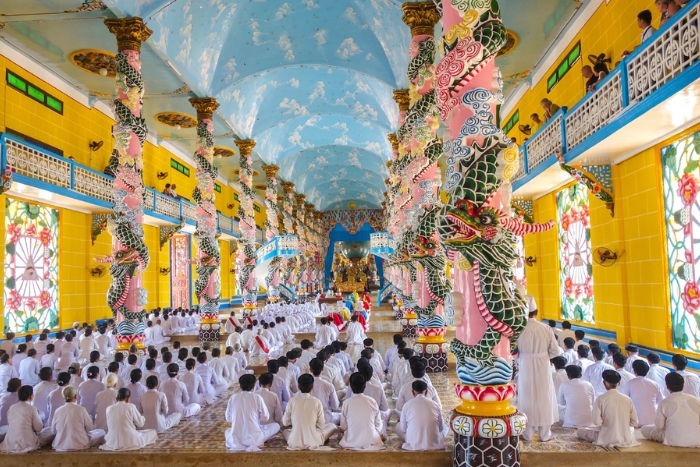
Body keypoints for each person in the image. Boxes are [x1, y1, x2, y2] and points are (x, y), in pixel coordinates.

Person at [516, 307, 560, 442]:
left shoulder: (518, 329)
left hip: (525, 365)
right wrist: (544, 357)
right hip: (543, 365)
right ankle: (545, 434)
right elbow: (555, 351)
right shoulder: (546, 329)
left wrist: (521, 358)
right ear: (536, 312)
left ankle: (527, 434)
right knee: (544, 397)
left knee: (526, 397)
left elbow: (512, 351)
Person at [577, 370, 640, 448]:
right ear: (619, 384)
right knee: (631, 430)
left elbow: (597, 422)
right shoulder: (628, 399)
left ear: (604, 383)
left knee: (580, 431)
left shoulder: (600, 399)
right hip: (625, 438)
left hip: (605, 438)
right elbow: (635, 422)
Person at [641, 372, 700, 447]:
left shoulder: (664, 402)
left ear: (667, 386)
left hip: (674, 440)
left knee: (644, 429)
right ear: (683, 385)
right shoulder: (695, 400)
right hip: (697, 439)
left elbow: (659, 427)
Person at [225, 374, 280, 452]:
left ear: (240, 386)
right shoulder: (257, 397)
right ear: (254, 386)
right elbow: (265, 418)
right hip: (255, 439)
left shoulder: (233, 397)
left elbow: (228, 418)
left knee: (227, 431)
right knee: (276, 426)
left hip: (236, 439)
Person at [282, 373, 337, 449]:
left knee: (285, 431)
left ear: (298, 387)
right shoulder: (317, 402)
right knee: (332, 426)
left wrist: (297, 422)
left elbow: (285, 422)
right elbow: (321, 425)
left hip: (294, 440)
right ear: (312, 387)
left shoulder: (292, 401)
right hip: (314, 440)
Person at [0, 385, 54, 452]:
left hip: (10, 443)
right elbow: (39, 428)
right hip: (28, 442)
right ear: (31, 396)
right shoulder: (31, 408)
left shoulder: (12, 407)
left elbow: (10, 424)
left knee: (5, 428)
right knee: (51, 430)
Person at [51, 385, 105, 451]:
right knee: (101, 432)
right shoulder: (81, 409)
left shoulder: (58, 410)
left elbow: (53, 431)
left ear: (63, 396)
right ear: (76, 396)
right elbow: (90, 428)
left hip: (60, 444)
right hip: (80, 443)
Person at [339, 373, 384, 450]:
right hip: (372, 440)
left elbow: (343, 427)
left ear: (350, 386)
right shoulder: (372, 401)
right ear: (365, 386)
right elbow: (378, 424)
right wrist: (375, 432)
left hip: (351, 441)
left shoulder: (347, 403)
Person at [396, 380, 445, 451]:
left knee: (398, 426)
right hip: (433, 443)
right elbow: (441, 428)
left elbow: (403, 428)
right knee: (446, 427)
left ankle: (411, 440)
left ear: (413, 392)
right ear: (426, 392)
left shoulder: (407, 405)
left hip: (413, 444)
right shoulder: (435, 405)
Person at [619, 360, 664, 427]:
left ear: (634, 371)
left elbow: (623, 402)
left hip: (635, 421)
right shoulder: (655, 384)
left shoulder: (629, 384)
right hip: (652, 421)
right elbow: (661, 402)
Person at [308, 358, 340, 425]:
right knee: (341, 416)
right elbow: (335, 406)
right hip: (325, 419)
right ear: (323, 369)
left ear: (310, 369)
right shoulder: (329, 385)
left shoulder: (305, 385)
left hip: (309, 419)